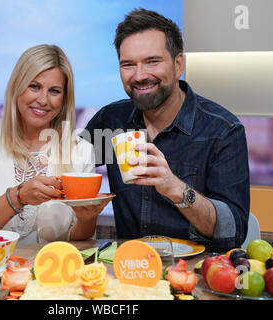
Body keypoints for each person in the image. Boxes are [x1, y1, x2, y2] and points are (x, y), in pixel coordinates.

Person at [83, 9, 250, 250]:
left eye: (152, 61)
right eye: (128, 64)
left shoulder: (222, 130)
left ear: (178, 64)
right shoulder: (111, 120)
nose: (139, 76)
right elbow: (69, 165)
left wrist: (176, 189)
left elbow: (233, 230)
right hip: (130, 271)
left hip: (195, 275)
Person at [0, 44, 110, 244]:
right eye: (34, 86)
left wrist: (88, 218)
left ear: (64, 99)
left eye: (54, 91)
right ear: (17, 87)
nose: (43, 100)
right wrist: (18, 196)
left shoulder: (81, 150)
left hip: (49, 271)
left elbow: (79, 240)